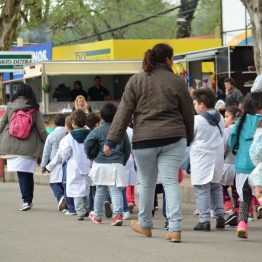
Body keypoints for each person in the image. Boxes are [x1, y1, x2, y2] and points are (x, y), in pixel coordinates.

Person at [103, 43, 194, 242]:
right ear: (168, 59)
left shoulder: (136, 81)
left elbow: (123, 112)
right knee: (171, 181)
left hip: (144, 139)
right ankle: (175, 228)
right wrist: (189, 136)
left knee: (146, 183)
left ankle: (145, 225)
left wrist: (111, 140)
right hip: (174, 137)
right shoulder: (177, 81)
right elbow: (188, 112)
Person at [0, 84, 47, 211]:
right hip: (30, 146)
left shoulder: (10, 107)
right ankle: (27, 199)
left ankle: (26, 200)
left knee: (22, 174)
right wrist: (47, 143)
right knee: (27, 173)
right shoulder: (34, 108)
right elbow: (41, 130)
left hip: (13, 145)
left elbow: (2, 124)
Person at [84, 103, 131, 226]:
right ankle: (117, 215)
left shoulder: (97, 130)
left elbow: (87, 143)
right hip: (117, 163)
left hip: (101, 164)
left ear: (101, 117)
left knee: (100, 190)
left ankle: (98, 216)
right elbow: (127, 147)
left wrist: (91, 156)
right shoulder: (121, 131)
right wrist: (123, 161)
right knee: (116, 190)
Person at [191, 88, 225, 232]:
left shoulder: (198, 119)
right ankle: (220, 217)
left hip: (201, 157)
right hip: (217, 156)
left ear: (203, 104)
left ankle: (204, 220)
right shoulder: (221, 118)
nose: (195, 106)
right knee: (216, 186)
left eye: (196, 103)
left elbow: (190, 136)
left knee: (202, 188)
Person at [229, 92, 262, 239]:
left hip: (242, 165)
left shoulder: (240, 121)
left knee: (245, 198)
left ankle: (242, 224)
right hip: (259, 166)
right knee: (259, 194)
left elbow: (232, 142)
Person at [61, 110, 91, 220]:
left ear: (72, 122)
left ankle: (80, 210)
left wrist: (66, 158)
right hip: (88, 164)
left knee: (76, 188)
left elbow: (65, 153)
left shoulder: (69, 137)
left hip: (74, 166)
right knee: (86, 187)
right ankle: (88, 208)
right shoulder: (90, 134)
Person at [41, 114, 67, 211]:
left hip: (54, 164)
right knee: (65, 184)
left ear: (54, 123)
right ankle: (67, 205)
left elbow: (46, 152)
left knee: (54, 183)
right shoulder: (68, 133)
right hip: (67, 162)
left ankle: (60, 197)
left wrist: (44, 165)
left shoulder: (51, 135)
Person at [222, 106, 240, 226]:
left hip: (227, 163)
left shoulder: (228, 130)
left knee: (220, 187)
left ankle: (229, 211)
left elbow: (223, 148)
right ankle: (239, 213)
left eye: (227, 117)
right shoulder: (244, 129)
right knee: (236, 189)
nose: (225, 119)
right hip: (240, 164)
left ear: (235, 118)